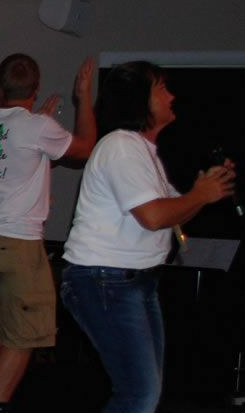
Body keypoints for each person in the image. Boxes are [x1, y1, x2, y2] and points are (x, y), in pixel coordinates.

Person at [61, 61, 235, 413]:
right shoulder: (121, 146)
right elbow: (154, 216)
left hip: (131, 282)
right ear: (139, 99)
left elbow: (173, 215)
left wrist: (206, 190)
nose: (171, 96)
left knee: (144, 392)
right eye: (161, 89)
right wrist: (201, 194)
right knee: (139, 393)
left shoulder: (142, 152)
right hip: (105, 280)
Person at [0, 54, 96, 412]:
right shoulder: (36, 127)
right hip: (19, 242)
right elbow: (84, 149)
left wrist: (37, 119)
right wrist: (84, 96)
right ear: (35, 87)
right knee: (25, 336)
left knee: (1, 330)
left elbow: (16, 154)